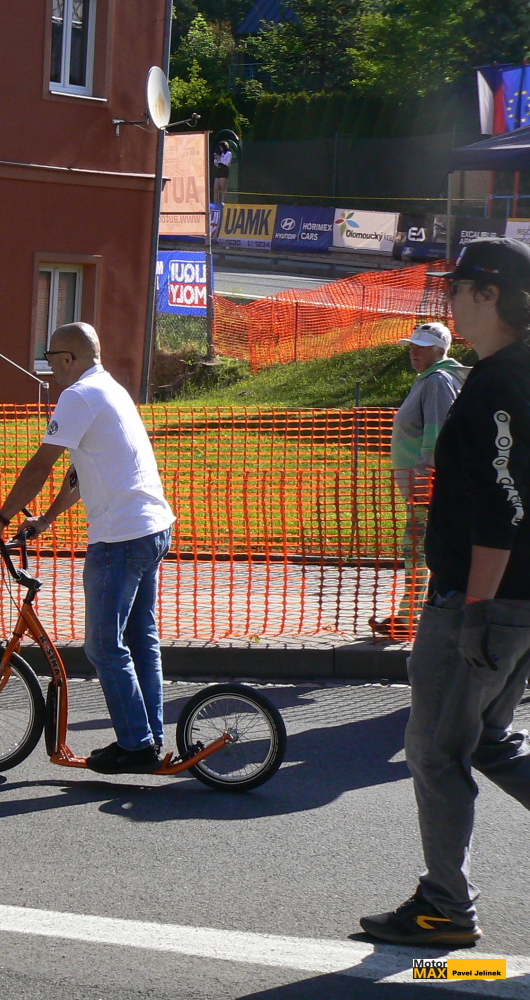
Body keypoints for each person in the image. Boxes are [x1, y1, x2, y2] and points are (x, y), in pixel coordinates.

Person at [360, 238, 530, 947]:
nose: (450, 301)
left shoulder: (495, 385)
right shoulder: (507, 373)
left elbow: (501, 507)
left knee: (434, 750)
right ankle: (443, 902)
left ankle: (445, 908)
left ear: (489, 295)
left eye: (456, 289)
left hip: (481, 599)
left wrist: (476, 611)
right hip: (514, 599)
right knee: (488, 741)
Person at [0, 323, 176, 774]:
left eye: (50, 360)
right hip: (152, 529)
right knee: (140, 638)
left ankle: (136, 745)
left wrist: (0, 520)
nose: (48, 370)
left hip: (121, 538)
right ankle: (149, 736)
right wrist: (46, 519)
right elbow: (80, 473)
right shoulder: (110, 389)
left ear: (68, 359)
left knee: (103, 646)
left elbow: (41, 466)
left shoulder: (78, 396)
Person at [370, 322, 468, 640]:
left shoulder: (438, 381)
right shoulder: (430, 379)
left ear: (440, 351)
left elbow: (437, 431)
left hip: (427, 485)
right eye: (412, 345)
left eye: (421, 346)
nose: (413, 351)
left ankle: (412, 618)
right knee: (420, 549)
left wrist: (425, 474)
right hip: (423, 485)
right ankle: (414, 616)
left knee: (418, 549)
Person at [211, 141, 232, 205]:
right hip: (219, 170)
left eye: (221, 147)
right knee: (215, 189)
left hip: (224, 170)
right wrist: (216, 159)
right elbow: (217, 162)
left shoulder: (228, 153)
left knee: (223, 189)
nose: (220, 148)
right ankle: (215, 204)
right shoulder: (221, 153)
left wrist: (220, 158)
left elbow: (227, 162)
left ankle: (223, 204)